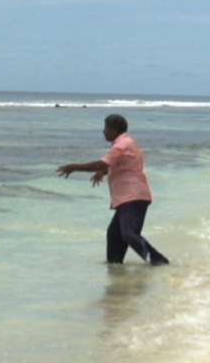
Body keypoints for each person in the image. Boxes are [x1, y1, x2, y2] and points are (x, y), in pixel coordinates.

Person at [56, 113, 170, 266]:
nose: (103, 131)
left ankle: (158, 261)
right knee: (114, 235)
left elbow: (102, 163)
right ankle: (115, 270)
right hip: (129, 197)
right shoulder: (127, 142)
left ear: (114, 129)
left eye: (106, 128)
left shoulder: (121, 145)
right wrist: (104, 172)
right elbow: (124, 165)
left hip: (133, 196)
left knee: (128, 234)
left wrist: (75, 167)